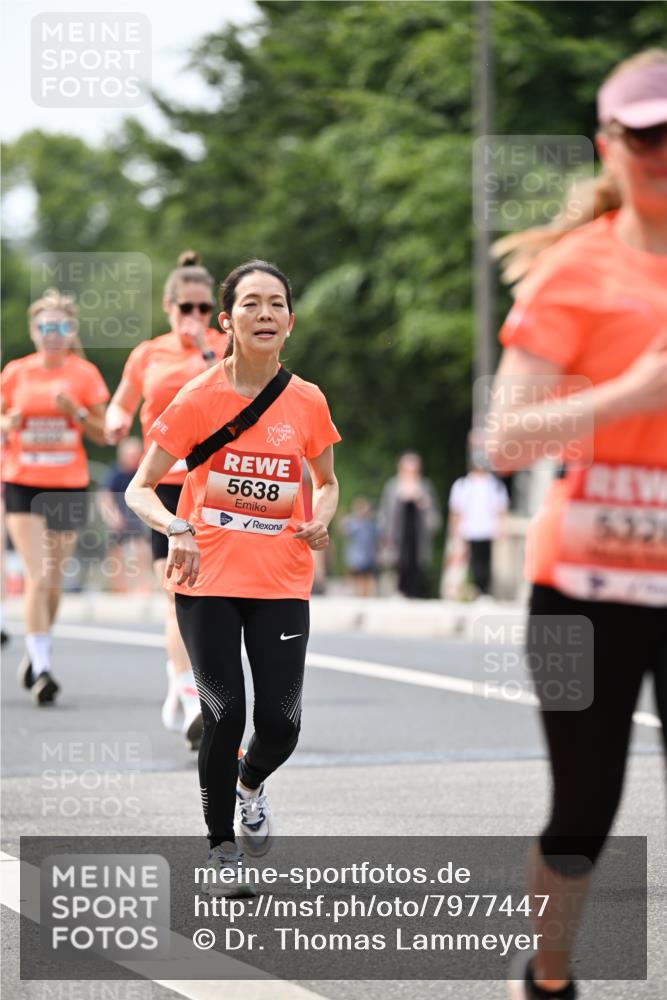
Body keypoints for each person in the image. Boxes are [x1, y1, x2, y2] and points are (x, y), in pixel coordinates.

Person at [487, 50, 667, 1000]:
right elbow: (504, 438)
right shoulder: (574, 273)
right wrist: (630, 393)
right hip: (582, 589)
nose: (662, 150)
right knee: (585, 810)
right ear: (611, 144)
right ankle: (547, 980)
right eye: (645, 134)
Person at [125, 259, 340, 893]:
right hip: (207, 577)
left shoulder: (307, 401)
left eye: (276, 304)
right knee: (224, 711)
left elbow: (326, 483)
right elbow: (141, 489)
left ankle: (250, 783)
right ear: (227, 320)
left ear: (290, 321)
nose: (265, 313)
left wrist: (319, 518)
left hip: (280, 578)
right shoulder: (197, 398)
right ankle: (222, 847)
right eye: (251, 304)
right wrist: (177, 528)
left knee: (282, 722)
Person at [104, 251, 226, 749]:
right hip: (164, 486)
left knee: (216, 595)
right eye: (185, 309)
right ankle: (191, 695)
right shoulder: (147, 354)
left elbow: (238, 394)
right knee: (177, 592)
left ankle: (188, 691)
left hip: (217, 484)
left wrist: (204, 351)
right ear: (168, 304)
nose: (194, 318)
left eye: (203, 309)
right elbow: (123, 401)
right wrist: (114, 419)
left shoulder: (225, 348)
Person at [0, 288, 109, 704]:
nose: (53, 334)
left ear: (72, 331)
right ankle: (43, 667)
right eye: (46, 327)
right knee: (38, 573)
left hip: (67, 483)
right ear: (33, 332)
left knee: (54, 582)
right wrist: (7, 423)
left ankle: (35, 651)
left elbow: (103, 433)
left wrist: (75, 412)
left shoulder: (84, 374)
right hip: (23, 482)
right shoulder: (16, 372)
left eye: (62, 327)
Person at [378, 452, 441, 598]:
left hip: (418, 537)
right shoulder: (393, 487)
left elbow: (434, 519)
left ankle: (417, 592)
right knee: (398, 561)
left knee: (418, 563)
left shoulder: (425, 487)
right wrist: (384, 535)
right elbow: (385, 513)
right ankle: (398, 591)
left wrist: (421, 500)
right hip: (397, 536)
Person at [448, 446, 509, 598]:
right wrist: (455, 530)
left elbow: (500, 509)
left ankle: (484, 590)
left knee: (485, 561)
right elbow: (457, 510)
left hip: (487, 528)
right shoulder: (463, 484)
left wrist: (500, 527)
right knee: (470, 561)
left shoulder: (494, 485)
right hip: (469, 529)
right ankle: (468, 590)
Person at [97, 437, 152, 592]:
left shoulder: (142, 472)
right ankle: (119, 589)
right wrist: (112, 516)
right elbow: (103, 496)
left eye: (136, 455)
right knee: (115, 554)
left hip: (137, 518)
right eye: (131, 455)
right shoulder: (115, 473)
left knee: (142, 552)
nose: (134, 459)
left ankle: (142, 588)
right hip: (119, 519)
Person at [341, 497, 378, 597]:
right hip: (356, 556)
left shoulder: (370, 524)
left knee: (366, 576)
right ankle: (355, 595)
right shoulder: (353, 522)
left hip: (367, 556)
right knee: (355, 576)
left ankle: (364, 596)